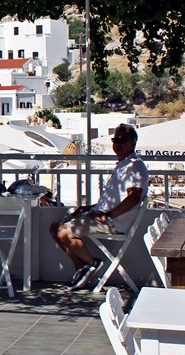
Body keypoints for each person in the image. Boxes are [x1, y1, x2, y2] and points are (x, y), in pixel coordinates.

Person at [50, 123, 149, 290]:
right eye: (115, 140)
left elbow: (134, 198)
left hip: (113, 223)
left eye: (122, 140)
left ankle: (92, 263)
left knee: (63, 231)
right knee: (55, 228)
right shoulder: (123, 164)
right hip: (102, 216)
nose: (117, 144)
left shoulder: (135, 166)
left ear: (133, 142)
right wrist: (89, 208)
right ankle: (82, 269)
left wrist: (107, 216)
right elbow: (113, 199)